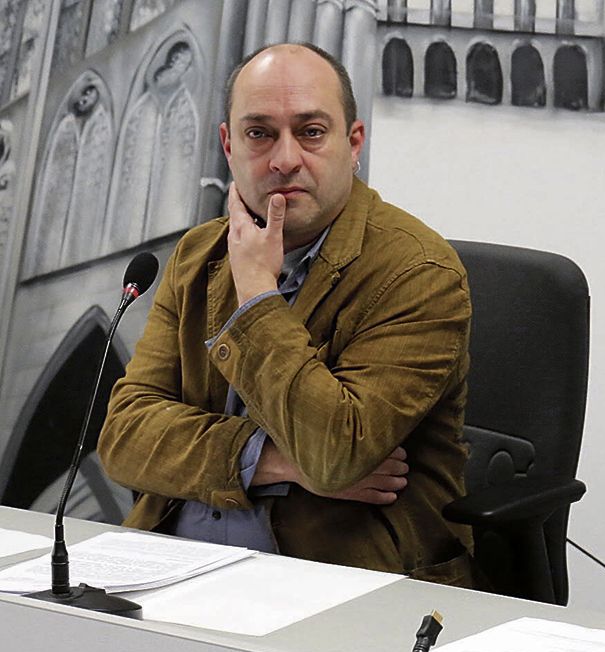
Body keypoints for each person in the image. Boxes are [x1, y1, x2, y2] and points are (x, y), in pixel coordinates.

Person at [98, 43, 475, 587]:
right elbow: (125, 437)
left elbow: (336, 455)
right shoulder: (198, 254)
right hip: (169, 568)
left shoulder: (418, 272)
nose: (284, 159)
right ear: (228, 145)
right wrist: (271, 460)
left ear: (354, 142)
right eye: (259, 134)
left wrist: (256, 295)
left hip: (332, 582)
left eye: (312, 131)